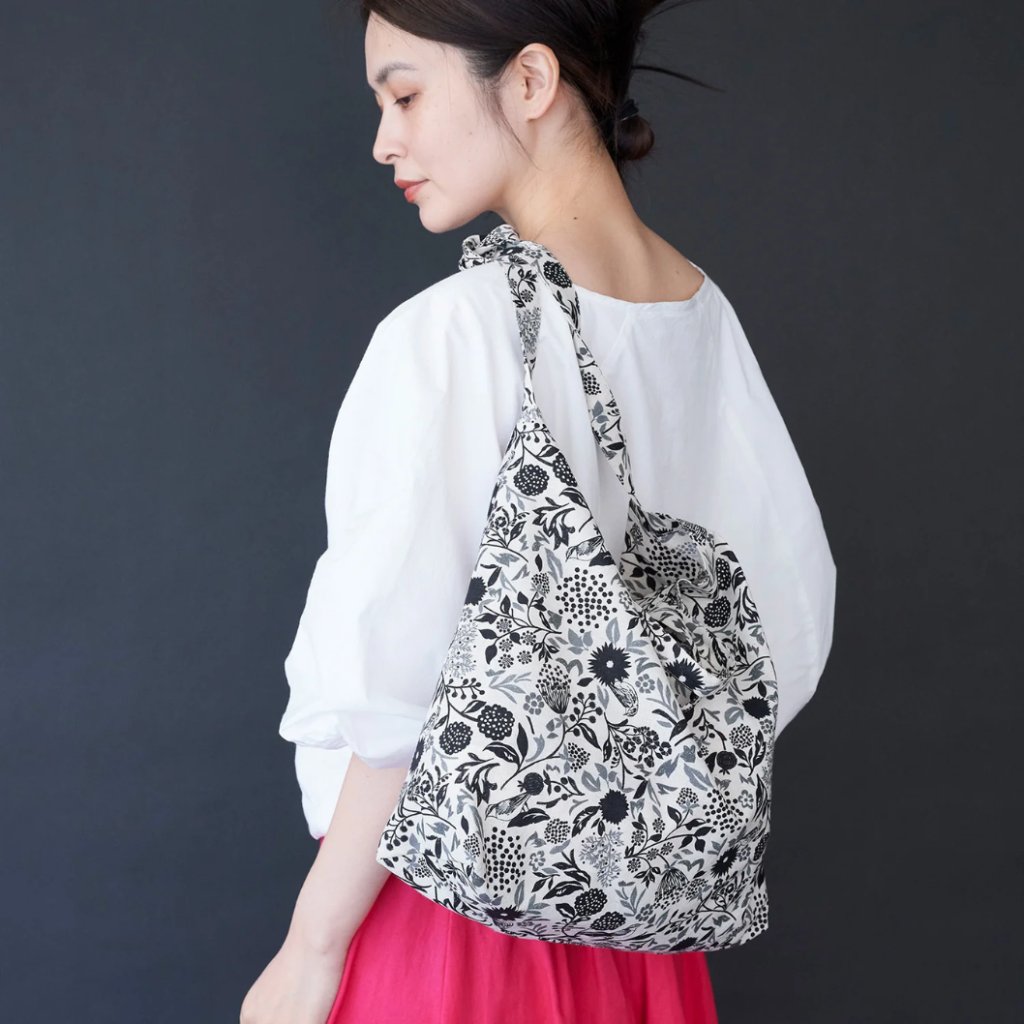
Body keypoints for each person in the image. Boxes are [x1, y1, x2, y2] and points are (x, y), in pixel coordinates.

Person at [240, 2, 836, 1022]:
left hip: (451, 914)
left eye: (405, 96)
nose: (384, 140)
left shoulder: (451, 334)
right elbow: (790, 615)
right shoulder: (703, 317)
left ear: (528, 81)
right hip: (641, 936)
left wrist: (310, 948)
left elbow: (397, 705)